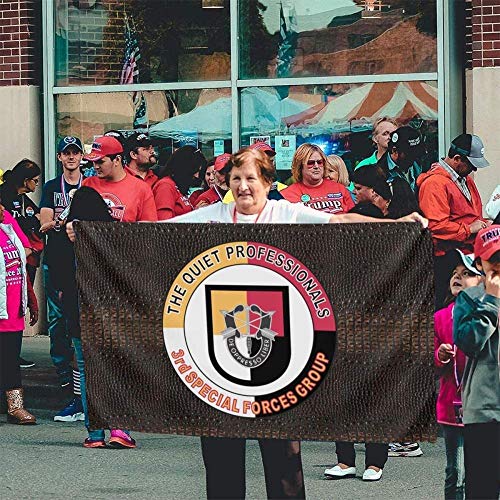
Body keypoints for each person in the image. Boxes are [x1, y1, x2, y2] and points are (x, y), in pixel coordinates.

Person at [167, 147, 427, 499]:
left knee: (283, 455)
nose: (244, 186)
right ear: (227, 182)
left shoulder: (285, 212)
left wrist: (394, 226)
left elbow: (340, 223)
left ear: (268, 181)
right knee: (221, 452)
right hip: (219, 352)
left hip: (278, 349)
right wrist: (88, 233)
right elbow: (146, 233)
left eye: (251, 179)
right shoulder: (210, 216)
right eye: (236, 179)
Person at [417, 134, 491, 310]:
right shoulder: (435, 183)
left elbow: (472, 215)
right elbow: (435, 226)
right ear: (457, 159)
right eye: (472, 164)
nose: (475, 169)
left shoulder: (465, 179)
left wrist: (483, 224)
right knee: (446, 306)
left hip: (467, 255)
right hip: (446, 258)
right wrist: (469, 229)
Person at [453, 224, 500, 500]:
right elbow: (469, 343)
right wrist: (492, 301)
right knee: (481, 489)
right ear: (479, 263)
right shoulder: (470, 298)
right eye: (492, 259)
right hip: (483, 408)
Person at [40, 136, 85, 417]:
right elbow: (44, 223)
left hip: (81, 261)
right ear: (59, 158)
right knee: (57, 322)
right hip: (56, 261)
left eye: (75, 153)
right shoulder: (50, 188)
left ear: (82, 157)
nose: (71, 157)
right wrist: (59, 222)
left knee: (80, 323)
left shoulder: (89, 186)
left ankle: (82, 389)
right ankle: (64, 379)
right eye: (66, 153)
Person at [434, 250, 483, 500]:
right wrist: (439, 355)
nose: (457, 277)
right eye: (455, 273)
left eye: (466, 273)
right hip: (452, 408)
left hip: (485, 409)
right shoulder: (440, 318)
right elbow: (428, 360)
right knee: (456, 471)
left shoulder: (489, 314)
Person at [0, 198, 38, 425]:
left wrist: (31, 299)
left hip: (12, 307)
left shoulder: (7, 224)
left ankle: (15, 407)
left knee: (11, 359)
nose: (3, 209)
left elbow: (25, 259)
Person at [82, 136, 157, 222]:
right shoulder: (87, 184)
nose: (96, 166)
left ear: (117, 159)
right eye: (94, 162)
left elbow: (149, 228)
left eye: (100, 162)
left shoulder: (141, 189)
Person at [0, 159, 42, 285]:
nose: (37, 184)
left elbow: (38, 215)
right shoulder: (4, 193)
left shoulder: (22, 197)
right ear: (25, 181)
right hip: (8, 255)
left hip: (28, 256)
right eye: (35, 180)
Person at [281, 143, 355, 214]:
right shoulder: (287, 195)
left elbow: (353, 219)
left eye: (319, 162)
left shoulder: (340, 189)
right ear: (300, 166)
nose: (316, 166)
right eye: (310, 163)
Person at [153, 145, 206, 220]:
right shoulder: (165, 186)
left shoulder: (178, 185)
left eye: (199, 172)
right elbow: (165, 223)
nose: (197, 176)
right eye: (194, 171)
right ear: (183, 169)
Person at [377, 125, 425, 194]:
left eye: (417, 152)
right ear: (394, 151)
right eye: (410, 154)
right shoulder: (379, 173)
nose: (414, 157)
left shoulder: (420, 164)